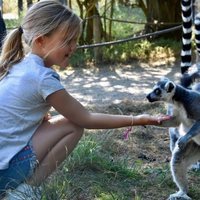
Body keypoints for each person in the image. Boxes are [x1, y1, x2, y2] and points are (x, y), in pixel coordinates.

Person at [0, 0, 171, 199]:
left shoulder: (16, 65)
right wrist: (138, 119)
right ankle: (26, 191)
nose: (74, 46)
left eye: (76, 40)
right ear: (40, 41)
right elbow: (86, 118)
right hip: (5, 174)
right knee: (73, 126)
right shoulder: (43, 77)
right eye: (68, 40)